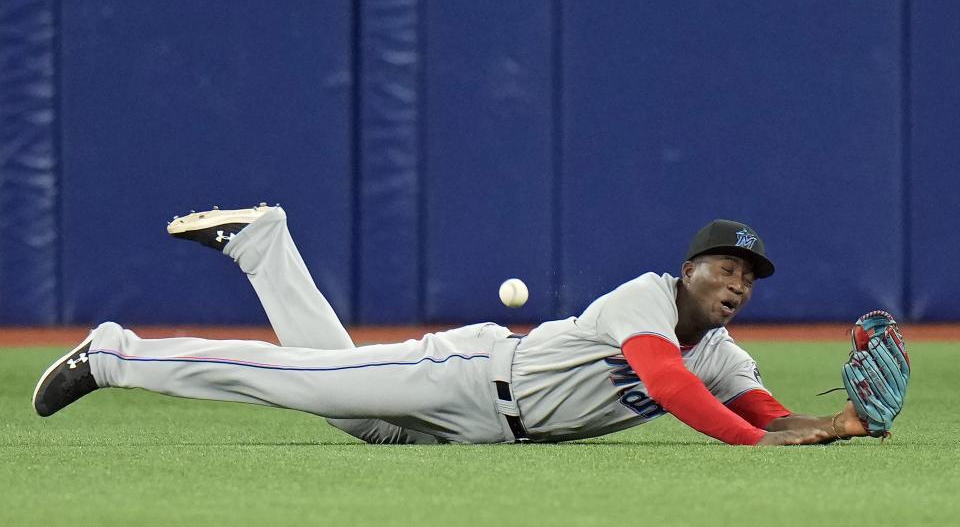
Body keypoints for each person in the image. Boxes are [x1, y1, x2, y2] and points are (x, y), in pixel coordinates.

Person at [33, 206, 869, 445]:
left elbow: (759, 406)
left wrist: (832, 424)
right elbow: (666, 383)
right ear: (687, 270)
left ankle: (263, 247)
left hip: (475, 430)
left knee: (341, 403)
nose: (736, 284)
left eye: (748, 277)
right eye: (724, 268)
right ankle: (116, 354)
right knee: (287, 381)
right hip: (466, 375)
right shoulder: (641, 300)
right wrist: (758, 444)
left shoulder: (721, 351)